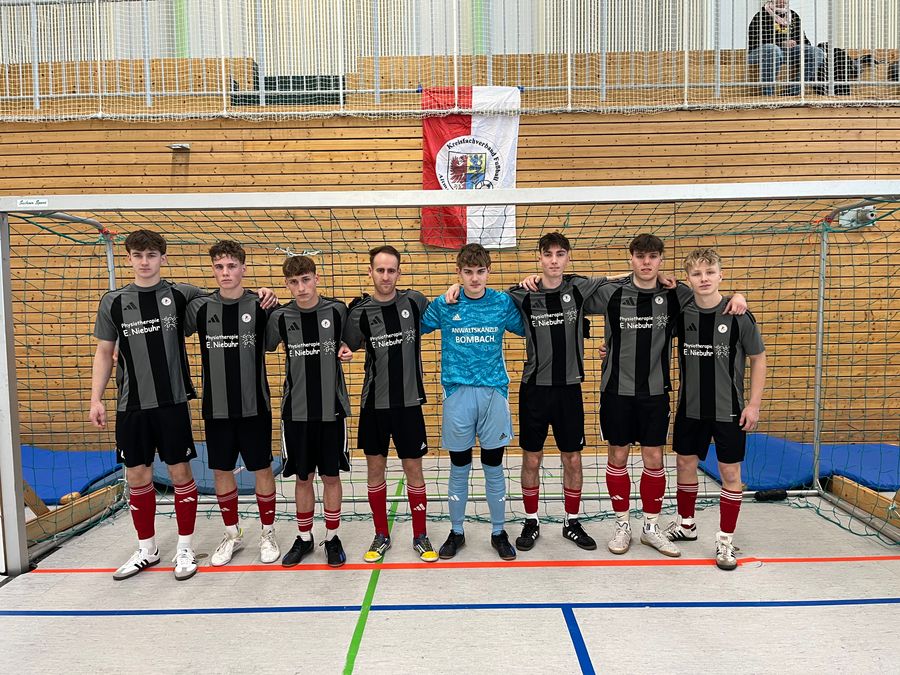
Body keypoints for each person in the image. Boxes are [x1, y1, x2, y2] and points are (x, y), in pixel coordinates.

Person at [90, 229, 275, 581]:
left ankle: (185, 548)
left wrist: (264, 291)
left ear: (163, 258)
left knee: (180, 474)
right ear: (128, 259)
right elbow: (103, 352)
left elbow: (228, 294)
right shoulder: (113, 301)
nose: (144, 262)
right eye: (138, 256)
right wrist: (95, 398)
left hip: (173, 402)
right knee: (137, 475)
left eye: (151, 255)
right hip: (131, 404)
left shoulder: (182, 295)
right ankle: (147, 549)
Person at [582, 234, 747, 558]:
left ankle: (650, 527)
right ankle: (622, 526)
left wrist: (738, 296)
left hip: (655, 392)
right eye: (640, 256)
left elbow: (710, 296)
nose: (646, 262)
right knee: (617, 457)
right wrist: (615, 276)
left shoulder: (675, 294)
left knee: (654, 459)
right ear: (631, 258)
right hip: (615, 390)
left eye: (653, 257)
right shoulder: (612, 292)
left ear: (660, 259)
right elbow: (574, 292)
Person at [421, 243, 525, 561]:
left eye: (480, 272)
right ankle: (456, 531)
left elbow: (530, 327)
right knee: (459, 467)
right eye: (468, 272)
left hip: (493, 393)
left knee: (493, 466)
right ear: (459, 273)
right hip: (458, 394)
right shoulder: (445, 304)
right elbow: (412, 324)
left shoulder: (501, 302)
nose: (475, 278)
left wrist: (527, 286)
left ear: (489, 272)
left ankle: (498, 532)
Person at [664, 248, 766, 571]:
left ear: (721, 275)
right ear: (689, 279)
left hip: (729, 410)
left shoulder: (739, 315)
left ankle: (725, 540)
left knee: (730, 474)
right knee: (684, 464)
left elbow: (758, 358)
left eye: (710, 272)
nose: (704, 279)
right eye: (697, 274)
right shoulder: (682, 312)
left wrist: (754, 404)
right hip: (690, 408)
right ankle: (686, 524)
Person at [183, 240, 279, 567]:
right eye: (219, 267)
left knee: (262, 468)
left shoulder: (262, 305)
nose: (225, 272)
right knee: (221, 470)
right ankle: (231, 534)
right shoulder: (200, 308)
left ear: (243, 268)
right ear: (213, 270)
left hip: (255, 406)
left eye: (231, 266)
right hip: (217, 407)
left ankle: (267, 533)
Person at [342, 245, 438, 563]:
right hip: (374, 405)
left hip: (409, 404)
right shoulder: (359, 312)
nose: (385, 276)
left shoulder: (414, 301)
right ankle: (381, 534)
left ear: (399, 272)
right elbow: (346, 343)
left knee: (414, 469)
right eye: (380, 270)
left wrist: (454, 289)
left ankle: (420, 535)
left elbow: (445, 311)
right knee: (375, 470)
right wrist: (343, 348)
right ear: (370, 271)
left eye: (391, 270)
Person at [266, 255, 352, 568]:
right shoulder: (280, 316)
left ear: (316, 278)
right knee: (303, 478)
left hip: (331, 411)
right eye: (294, 282)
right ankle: (304, 537)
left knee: (331, 476)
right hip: (296, 412)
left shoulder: (337, 310)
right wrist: (260, 296)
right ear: (286, 284)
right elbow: (263, 344)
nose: (301, 287)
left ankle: (332, 537)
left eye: (305, 280)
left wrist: (347, 347)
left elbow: (353, 340)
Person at [747, 0, 824, 96]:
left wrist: (795, 42)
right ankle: (768, 96)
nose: (783, 1)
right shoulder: (761, 16)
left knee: (817, 52)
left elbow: (804, 40)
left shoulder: (793, 16)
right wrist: (781, 43)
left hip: (786, 52)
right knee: (773, 50)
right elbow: (755, 41)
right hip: (760, 53)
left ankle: (792, 92)